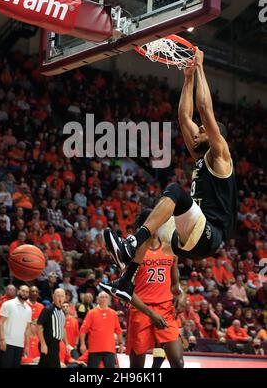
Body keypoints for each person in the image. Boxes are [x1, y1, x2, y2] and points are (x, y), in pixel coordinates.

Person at [100, 48, 237, 302]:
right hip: (189, 236)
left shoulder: (221, 155)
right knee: (146, 217)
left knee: (174, 191)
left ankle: (131, 245)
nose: (197, 132)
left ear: (215, 135)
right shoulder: (201, 156)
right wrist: (187, 78)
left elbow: (204, 108)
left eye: (203, 130)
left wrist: (200, 68)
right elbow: (184, 116)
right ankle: (126, 280)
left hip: (209, 235)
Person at [126, 209, 184, 368]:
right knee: (136, 368)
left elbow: (175, 285)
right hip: (140, 310)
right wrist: (150, 313)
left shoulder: (170, 248)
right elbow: (126, 290)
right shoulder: (133, 251)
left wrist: (181, 295)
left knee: (178, 363)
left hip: (165, 309)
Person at [79, 292, 124, 368]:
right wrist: (82, 344)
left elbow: (118, 330)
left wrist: (121, 343)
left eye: (106, 297)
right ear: (97, 299)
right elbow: (83, 330)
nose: (104, 299)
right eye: (102, 297)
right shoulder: (91, 313)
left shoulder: (113, 313)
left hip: (109, 349)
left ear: (109, 300)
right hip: (94, 349)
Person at [0, 285, 32, 368]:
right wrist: (2, 339)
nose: (25, 293)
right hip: (7, 342)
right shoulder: (8, 304)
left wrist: (27, 345)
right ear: (18, 291)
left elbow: (27, 329)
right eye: (23, 291)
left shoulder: (29, 309)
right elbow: (0, 322)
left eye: (27, 292)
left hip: (20, 344)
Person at [37, 288, 68, 368]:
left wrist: (67, 344)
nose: (60, 298)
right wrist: (43, 344)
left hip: (56, 344)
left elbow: (62, 328)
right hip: (48, 343)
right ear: (53, 296)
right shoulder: (48, 309)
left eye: (62, 296)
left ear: (65, 298)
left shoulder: (62, 312)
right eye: (58, 296)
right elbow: (39, 326)